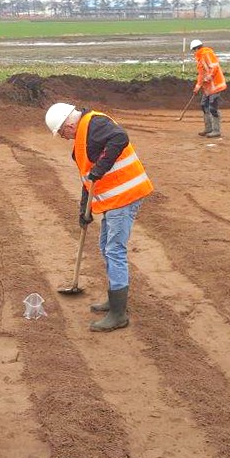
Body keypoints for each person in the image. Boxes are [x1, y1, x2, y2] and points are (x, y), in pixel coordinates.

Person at [44, 102, 154, 332]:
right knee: (106, 246)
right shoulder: (82, 140)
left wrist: (101, 168)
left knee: (114, 249)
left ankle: (118, 314)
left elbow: (120, 138)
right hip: (115, 200)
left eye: (62, 133)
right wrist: (85, 210)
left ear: (69, 124)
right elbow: (89, 179)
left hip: (126, 196)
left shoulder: (95, 123)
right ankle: (115, 301)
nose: (64, 137)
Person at [190, 39, 227, 138]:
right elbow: (201, 74)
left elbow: (214, 67)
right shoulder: (199, 57)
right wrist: (197, 86)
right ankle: (208, 128)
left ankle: (216, 130)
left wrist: (208, 77)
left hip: (216, 85)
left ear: (197, 48)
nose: (194, 52)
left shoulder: (207, 54)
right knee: (203, 105)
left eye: (194, 50)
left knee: (212, 107)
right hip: (208, 87)